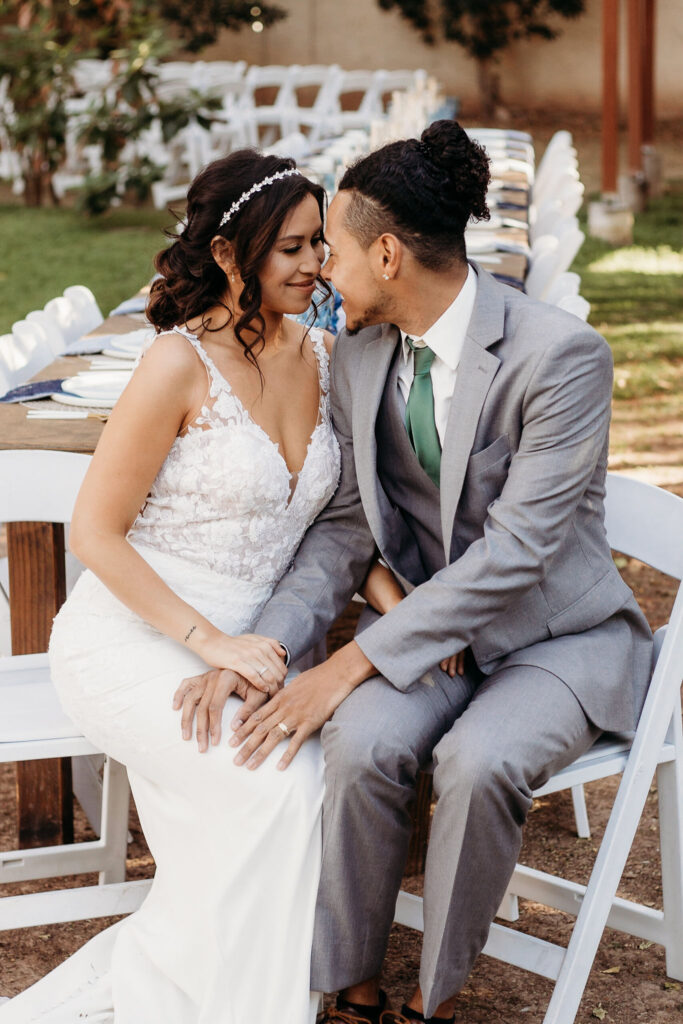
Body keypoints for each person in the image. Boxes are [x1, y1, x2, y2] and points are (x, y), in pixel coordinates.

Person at [179, 120, 654, 1024]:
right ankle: (352, 989)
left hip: (557, 638)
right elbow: (346, 525)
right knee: (360, 743)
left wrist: (353, 659)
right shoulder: (358, 355)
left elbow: (519, 554)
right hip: (430, 636)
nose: (322, 271)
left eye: (336, 250)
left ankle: (432, 1003)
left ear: (388, 254)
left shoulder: (557, 356)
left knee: (475, 762)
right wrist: (266, 648)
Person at [0, 150, 346, 1023]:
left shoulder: (330, 358)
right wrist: (209, 641)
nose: (315, 266)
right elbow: (93, 534)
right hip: (135, 637)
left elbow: (345, 524)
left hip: (253, 646)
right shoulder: (174, 364)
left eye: (320, 244)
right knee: (281, 788)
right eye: (292, 249)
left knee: (277, 801)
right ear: (230, 256)